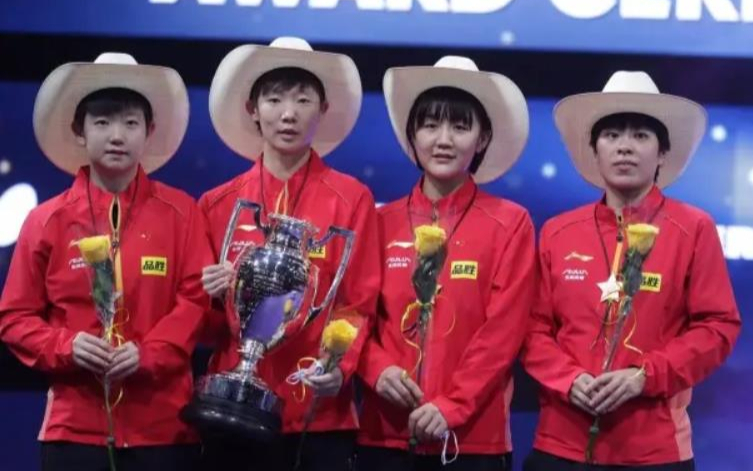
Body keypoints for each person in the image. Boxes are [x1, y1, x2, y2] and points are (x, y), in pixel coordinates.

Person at [0, 52, 211, 471]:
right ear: (79, 131)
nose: (117, 136)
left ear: (149, 131)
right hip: (74, 431)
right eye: (102, 123)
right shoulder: (47, 220)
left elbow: (196, 301)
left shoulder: (182, 212)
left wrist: (149, 353)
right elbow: (14, 318)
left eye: (130, 123)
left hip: (164, 430)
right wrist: (67, 346)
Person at [521, 71, 741, 470]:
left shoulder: (693, 228)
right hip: (560, 445)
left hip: (654, 451)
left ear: (662, 153)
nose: (625, 146)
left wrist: (644, 376)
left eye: (640, 135)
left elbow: (717, 328)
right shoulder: (558, 231)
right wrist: (568, 379)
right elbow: (533, 330)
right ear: (594, 149)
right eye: (611, 135)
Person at [356, 56, 536, 471]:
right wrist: (376, 369)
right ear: (412, 134)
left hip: (472, 440)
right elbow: (354, 314)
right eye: (430, 125)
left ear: (483, 137)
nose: (443, 140)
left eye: (459, 126)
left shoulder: (510, 223)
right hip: (384, 433)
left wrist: (453, 404)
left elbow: (504, 333)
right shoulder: (379, 222)